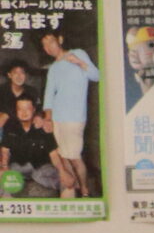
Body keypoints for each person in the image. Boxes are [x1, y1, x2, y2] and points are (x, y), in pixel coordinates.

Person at [36, 36, 96, 204]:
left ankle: (85, 191)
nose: (48, 47)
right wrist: (48, 118)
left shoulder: (78, 53)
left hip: (75, 116)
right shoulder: (53, 68)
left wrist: (79, 63)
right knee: (63, 155)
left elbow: (96, 76)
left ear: (60, 40)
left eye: (50, 41)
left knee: (75, 157)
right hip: (58, 117)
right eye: (44, 45)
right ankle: (72, 189)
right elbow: (49, 95)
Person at [3, 97, 59, 197]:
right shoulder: (11, 128)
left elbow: (54, 154)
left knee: (45, 176)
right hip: (18, 167)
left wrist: (63, 172)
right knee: (4, 178)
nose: (24, 112)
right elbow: (5, 150)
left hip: (42, 167)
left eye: (27, 109)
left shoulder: (43, 128)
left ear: (33, 110)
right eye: (20, 109)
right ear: (16, 111)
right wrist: (4, 167)